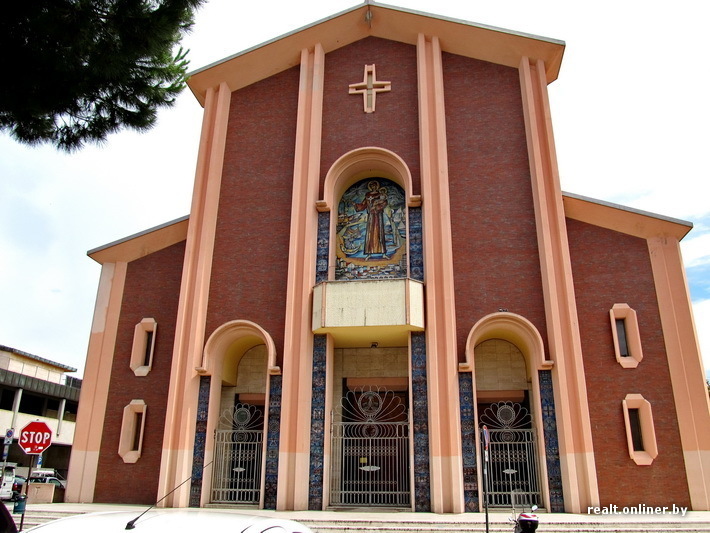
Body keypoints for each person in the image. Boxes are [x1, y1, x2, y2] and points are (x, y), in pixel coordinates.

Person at [355, 180, 389, 259]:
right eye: (372, 186)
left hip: (378, 215)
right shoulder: (368, 195)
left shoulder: (380, 194)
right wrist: (356, 205)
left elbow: (384, 202)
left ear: (377, 186)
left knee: (379, 232)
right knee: (370, 232)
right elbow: (363, 204)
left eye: (375, 186)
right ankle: (369, 253)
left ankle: (383, 253)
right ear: (370, 187)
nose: (373, 187)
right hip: (371, 215)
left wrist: (376, 207)